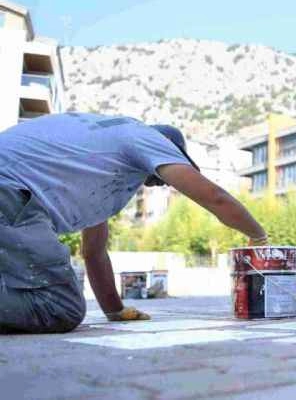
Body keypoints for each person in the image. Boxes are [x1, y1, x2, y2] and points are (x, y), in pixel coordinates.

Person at [0, 113, 269, 333]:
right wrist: (258, 236)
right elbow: (214, 197)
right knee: (59, 307)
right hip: (9, 193)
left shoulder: (101, 163)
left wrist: (115, 309)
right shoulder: (143, 137)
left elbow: (94, 253)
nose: (157, 183)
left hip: (11, 195)